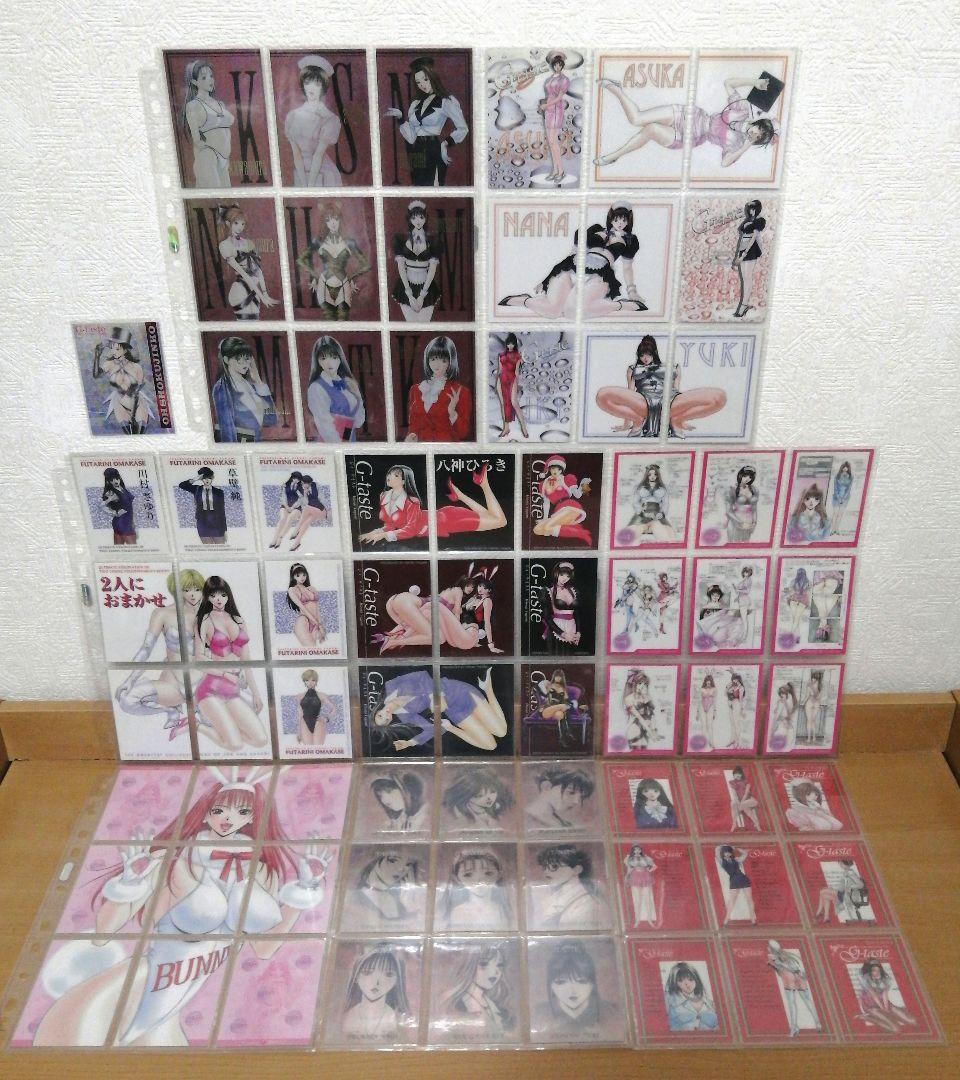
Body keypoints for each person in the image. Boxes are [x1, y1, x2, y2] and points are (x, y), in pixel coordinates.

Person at [31, 767, 329, 1046]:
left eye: (242, 811)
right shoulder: (175, 859)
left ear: (253, 817)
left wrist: (304, 891)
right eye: (219, 810)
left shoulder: (261, 871)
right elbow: (104, 931)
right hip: (139, 985)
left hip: (181, 996)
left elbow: (264, 948)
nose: (228, 818)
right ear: (205, 813)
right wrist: (130, 881)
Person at [594, 74, 777, 170]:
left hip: (690, 136)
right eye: (758, 130)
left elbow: (725, 163)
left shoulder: (737, 143)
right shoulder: (742, 110)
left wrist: (745, 146)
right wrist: (754, 82)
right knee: (636, 118)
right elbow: (728, 83)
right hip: (691, 115)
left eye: (758, 138)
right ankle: (617, 90)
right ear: (758, 123)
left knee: (651, 129)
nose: (755, 134)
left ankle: (615, 155)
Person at [499, 204, 645, 318]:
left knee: (572, 312)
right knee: (553, 311)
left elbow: (627, 268)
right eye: (616, 219)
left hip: (600, 275)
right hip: (572, 267)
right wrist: (547, 279)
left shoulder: (630, 240)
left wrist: (631, 291)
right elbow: (573, 252)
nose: (620, 223)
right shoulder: (596, 229)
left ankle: (621, 305)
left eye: (624, 220)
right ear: (611, 218)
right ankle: (524, 300)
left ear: (628, 221)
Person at [595, 335, 726, 439]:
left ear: (654, 353)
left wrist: (682, 417)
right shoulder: (633, 368)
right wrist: (627, 423)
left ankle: (677, 420)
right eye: (642, 355)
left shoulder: (673, 367)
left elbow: (676, 389)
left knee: (719, 397)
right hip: (643, 402)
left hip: (671, 402)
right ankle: (637, 420)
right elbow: (629, 393)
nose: (645, 358)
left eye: (648, 354)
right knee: (602, 395)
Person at [383, 55, 469, 185]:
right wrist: (400, 118)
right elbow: (411, 137)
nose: (422, 85)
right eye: (418, 82)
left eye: (425, 79)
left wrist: (446, 143)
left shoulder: (446, 101)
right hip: (415, 151)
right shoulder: (415, 104)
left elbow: (463, 128)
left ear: (432, 77)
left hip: (433, 149)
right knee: (418, 187)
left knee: (433, 187)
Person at [295, 200, 371, 319]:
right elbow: (300, 260)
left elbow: (366, 264)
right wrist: (315, 275)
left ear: (340, 219)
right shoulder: (318, 242)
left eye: (335, 218)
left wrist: (352, 277)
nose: (333, 223)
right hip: (324, 285)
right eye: (328, 220)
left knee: (343, 320)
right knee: (329, 321)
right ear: (324, 223)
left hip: (343, 284)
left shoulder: (349, 243)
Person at [284, 54, 342, 187]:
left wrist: (310, 185)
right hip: (301, 173)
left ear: (323, 86)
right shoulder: (293, 116)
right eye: (307, 82)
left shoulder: (329, 119)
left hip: (324, 174)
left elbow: (318, 155)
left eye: (317, 84)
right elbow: (296, 154)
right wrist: (304, 183)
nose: (311, 88)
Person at [533, 942, 617, 1033]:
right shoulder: (538, 1014)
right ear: (551, 985)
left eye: (581, 981)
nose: (572, 991)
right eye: (561, 982)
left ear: (592, 984)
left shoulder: (611, 1013)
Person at [405, 334, 472, 442]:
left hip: (446, 449)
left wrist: (452, 412)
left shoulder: (461, 392)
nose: (437, 364)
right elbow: (413, 426)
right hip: (422, 448)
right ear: (427, 360)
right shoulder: (416, 390)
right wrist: (412, 435)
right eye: (433, 359)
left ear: (450, 361)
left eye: (443, 360)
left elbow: (463, 433)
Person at [216, 204, 279, 319]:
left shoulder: (248, 243)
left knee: (255, 323)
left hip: (255, 290)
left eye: (242, 224)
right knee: (246, 323)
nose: (240, 227)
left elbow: (258, 270)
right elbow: (244, 274)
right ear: (228, 223)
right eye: (236, 223)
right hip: (240, 289)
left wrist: (265, 293)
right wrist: (262, 296)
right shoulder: (225, 245)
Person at [210, 335, 277, 442]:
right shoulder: (222, 388)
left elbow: (271, 419)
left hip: (257, 445)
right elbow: (227, 430)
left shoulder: (251, 385)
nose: (245, 363)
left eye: (246, 358)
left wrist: (258, 381)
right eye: (238, 359)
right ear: (226, 360)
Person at [181, 59, 234, 187]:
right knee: (215, 195)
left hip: (224, 159)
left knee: (227, 196)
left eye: (211, 76)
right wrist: (211, 148)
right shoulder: (193, 106)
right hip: (208, 157)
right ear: (194, 82)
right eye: (204, 78)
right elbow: (197, 140)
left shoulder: (220, 104)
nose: (210, 80)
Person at [341, 944, 411, 1039]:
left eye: (388, 974)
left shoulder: (398, 1019)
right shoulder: (348, 1016)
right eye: (367, 972)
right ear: (356, 977)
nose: (376, 982)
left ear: (397, 981)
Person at [305, 334, 366, 442]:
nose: (329, 363)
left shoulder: (348, 383)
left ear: (340, 359)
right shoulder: (316, 388)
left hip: (349, 441)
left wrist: (357, 394)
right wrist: (341, 446)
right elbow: (325, 425)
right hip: (330, 444)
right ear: (318, 361)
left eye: (334, 357)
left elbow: (358, 422)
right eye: (323, 358)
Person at [92, 327, 153, 434]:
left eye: (117, 349)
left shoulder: (136, 367)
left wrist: (133, 415)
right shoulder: (109, 364)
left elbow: (139, 387)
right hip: (119, 403)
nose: (113, 352)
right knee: (128, 435)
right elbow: (96, 375)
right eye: (111, 348)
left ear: (125, 350)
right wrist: (97, 356)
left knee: (140, 434)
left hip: (137, 403)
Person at [443, 945, 514, 1036]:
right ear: (469, 966)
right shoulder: (456, 1003)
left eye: (499, 965)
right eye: (484, 964)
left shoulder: (493, 1004)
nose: (495, 972)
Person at [438, 849, 514, 931]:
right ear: (457, 878)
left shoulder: (502, 910)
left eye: (488, 873)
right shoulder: (458, 912)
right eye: (468, 875)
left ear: (499, 874)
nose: (479, 880)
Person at [391, 200, 441, 322]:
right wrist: (409, 294)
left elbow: (432, 268)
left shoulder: (433, 240)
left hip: (427, 286)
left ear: (426, 218)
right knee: (411, 324)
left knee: (425, 324)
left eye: (421, 217)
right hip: (406, 286)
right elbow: (401, 267)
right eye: (414, 218)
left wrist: (422, 295)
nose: (418, 221)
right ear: (409, 219)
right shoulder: (401, 239)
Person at [438, 668, 510, 752]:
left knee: (501, 732)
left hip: (459, 692)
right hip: (453, 708)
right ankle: (449, 727)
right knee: (491, 745)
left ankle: (487, 688)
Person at [534, 845, 604, 930]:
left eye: (554, 867)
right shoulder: (554, 898)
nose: (546, 874)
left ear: (577, 869)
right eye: (544, 868)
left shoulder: (586, 904)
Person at [367, 668, 435, 753]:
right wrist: (409, 743)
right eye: (386, 720)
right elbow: (431, 730)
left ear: (377, 711)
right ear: (390, 721)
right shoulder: (406, 716)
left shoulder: (390, 685)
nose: (386, 715)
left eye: (380, 716)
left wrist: (432, 696)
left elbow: (422, 675)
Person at [437, 566, 504, 654]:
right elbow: (459, 610)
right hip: (460, 634)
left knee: (438, 607)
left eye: (484, 588)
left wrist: (491, 645)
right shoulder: (474, 598)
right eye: (480, 586)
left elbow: (487, 623)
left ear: (489, 590)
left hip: (469, 636)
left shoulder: (487, 601)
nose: (480, 589)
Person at [436, 463, 508, 541]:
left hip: (448, 522)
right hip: (445, 514)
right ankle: (459, 494)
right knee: (491, 517)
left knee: (500, 521)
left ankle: (482, 484)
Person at [353, 848, 423, 929]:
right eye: (392, 860)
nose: (401, 868)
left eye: (408, 864)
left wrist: (409, 906)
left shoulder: (400, 897)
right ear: (374, 861)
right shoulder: (353, 897)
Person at [359, 464, 429, 545]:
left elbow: (411, 530)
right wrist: (373, 533)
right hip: (400, 538)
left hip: (423, 532)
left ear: (403, 481)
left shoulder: (412, 502)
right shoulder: (383, 496)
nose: (389, 476)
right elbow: (390, 525)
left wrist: (383, 535)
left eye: (396, 475)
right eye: (389, 474)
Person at [534, 455, 592, 545]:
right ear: (549, 469)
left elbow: (577, 495)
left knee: (548, 527)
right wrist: (545, 519)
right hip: (558, 510)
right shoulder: (543, 484)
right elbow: (546, 503)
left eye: (558, 469)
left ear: (561, 470)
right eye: (553, 469)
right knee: (537, 529)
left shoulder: (566, 479)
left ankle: (582, 534)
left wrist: (583, 485)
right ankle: (578, 533)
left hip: (570, 507)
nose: (555, 471)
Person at [765, 941, 820, 1036]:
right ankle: (818, 1023)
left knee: (792, 1003)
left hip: (789, 978)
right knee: (808, 1001)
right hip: (799, 977)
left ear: (771, 948)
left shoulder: (771, 956)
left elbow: (779, 967)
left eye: (768, 947)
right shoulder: (788, 955)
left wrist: (774, 965)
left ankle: (794, 1028)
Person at [856, 959, 918, 1033]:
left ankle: (893, 1015)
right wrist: (883, 1009)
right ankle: (868, 1018)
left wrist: (886, 1008)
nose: (877, 972)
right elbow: (874, 995)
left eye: (878, 969)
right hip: (871, 1006)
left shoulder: (884, 978)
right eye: (873, 970)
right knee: (896, 1029)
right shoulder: (865, 978)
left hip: (884, 1003)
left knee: (913, 1021)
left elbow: (884, 994)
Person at [442, 766, 514, 829]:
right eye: (479, 796)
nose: (489, 798)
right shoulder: (460, 816)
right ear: (466, 795)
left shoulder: (496, 808)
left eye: (492, 792)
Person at [525, 766, 595, 830]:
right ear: (546, 787)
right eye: (571, 792)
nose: (576, 801)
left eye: (581, 797)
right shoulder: (525, 820)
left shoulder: (566, 825)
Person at [539, 52, 570, 183]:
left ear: (562, 65)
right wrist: (544, 106)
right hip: (548, 111)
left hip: (556, 110)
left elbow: (559, 97)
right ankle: (555, 170)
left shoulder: (564, 80)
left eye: (560, 65)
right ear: (553, 65)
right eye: (556, 64)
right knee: (551, 142)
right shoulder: (549, 79)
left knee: (553, 141)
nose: (558, 67)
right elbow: (549, 95)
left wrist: (546, 105)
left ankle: (560, 171)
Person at [733, 200, 766, 318]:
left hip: (751, 250)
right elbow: (742, 238)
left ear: (757, 209)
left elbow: (754, 237)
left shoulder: (759, 220)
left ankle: (744, 305)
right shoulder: (748, 220)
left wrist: (743, 255)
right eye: (750, 209)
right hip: (743, 248)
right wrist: (739, 254)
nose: (751, 211)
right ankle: (744, 304)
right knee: (745, 278)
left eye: (753, 209)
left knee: (747, 277)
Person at [493, 332, 529, 439]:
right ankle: (506, 428)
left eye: (512, 344)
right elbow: (500, 370)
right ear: (506, 344)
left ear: (515, 344)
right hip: (501, 380)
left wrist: (516, 384)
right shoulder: (501, 355)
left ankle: (524, 428)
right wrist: (496, 383)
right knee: (503, 404)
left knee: (514, 403)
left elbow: (517, 372)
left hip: (512, 379)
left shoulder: (518, 356)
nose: (510, 346)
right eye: (508, 343)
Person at [663, 962, 718, 1032]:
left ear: (696, 979)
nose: (687, 983)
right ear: (675, 983)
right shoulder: (669, 998)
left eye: (690, 979)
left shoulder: (708, 1002)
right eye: (680, 980)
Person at [178, 467, 227, 544]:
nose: (207, 480)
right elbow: (182, 485)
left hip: (216, 522)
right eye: (204, 478)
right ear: (201, 479)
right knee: (208, 547)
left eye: (209, 478)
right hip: (202, 522)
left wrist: (225, 530)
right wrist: (196, 478)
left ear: (212, 478)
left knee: (220, 546)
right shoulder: (197, 489)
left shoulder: (219, 492)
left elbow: (222, 511)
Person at [627, 463, 674, 540]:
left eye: (655, 474)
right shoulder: (640, 487)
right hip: (643, 512)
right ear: (647, 475)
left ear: (658, 475)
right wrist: (640, 512)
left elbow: (665, 503)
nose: (652, 476)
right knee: (633, 532)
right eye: (650, 474)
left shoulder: (662, 488)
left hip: (657, 513)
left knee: (668, 533)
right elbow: (635, 502)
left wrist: (662, 513)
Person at [543, 561, 582, 653]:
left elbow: (577, 614)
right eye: (561, 575)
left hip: (572, 630)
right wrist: (564, 634)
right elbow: (547, 618)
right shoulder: (548, 591)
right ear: (556, 573)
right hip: (556, 631)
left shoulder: (574, 591)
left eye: (568, 576)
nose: (564, 578)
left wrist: (578, 632)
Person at [285, 562, 327, 648]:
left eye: (304, 575)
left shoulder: (312, 588)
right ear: (293, 576)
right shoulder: (292, 590)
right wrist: (318, 624)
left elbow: (317, 609)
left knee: (315, 649)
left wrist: (320, 625)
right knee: (311, 648)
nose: (302, 578)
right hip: (303, 621)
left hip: (315, 623)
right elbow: (303, 608)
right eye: (298, 575)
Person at [816, 858, 867, 924]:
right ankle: (826, 918)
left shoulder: (850, 873)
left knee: (822, 892)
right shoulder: (846, 872)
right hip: (843, 893)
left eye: (841, 863)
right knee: (825, 895)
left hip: (849, 896)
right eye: (839, 863)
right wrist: (833, 888)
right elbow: (842, 886)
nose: (840, 865)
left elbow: (861, 884)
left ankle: (819, 912)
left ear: (845, 863)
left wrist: (850, 887)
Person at [286, 474, 329, 553]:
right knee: (305, 524)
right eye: (303, 483)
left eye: (306, 483)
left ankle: (295, 531)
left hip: (321, 511)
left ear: (310, 483)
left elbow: (322, 499)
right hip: (312, 512)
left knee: (307, 508)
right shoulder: (300, 489)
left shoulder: (315, 485)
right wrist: (305, 494)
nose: (304, 485)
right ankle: (296, 543)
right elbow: (303, 502)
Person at [716, 845, 756, 925]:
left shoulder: (736, 860)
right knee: (732, 900)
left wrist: (736, 848)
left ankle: (753, 919)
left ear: (731, 853)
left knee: (749, 899)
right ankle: (726, 919)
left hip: (743, 879)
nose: (727, 854)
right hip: (734, 880)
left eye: (729, 852)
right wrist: (726, 845)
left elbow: (745, 854)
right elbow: (717, 850)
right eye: (725, 852)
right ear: (723, 853)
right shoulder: (721, 861)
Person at [537, 669, 576, 748]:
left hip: (557, 710)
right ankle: (569, 731)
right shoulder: (549, 685)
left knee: (560, 714)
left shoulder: (563, 688)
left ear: (562, 678)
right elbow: (541, 687)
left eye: (560, 677)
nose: (558, 678)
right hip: (546, 709)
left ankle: (562, 737)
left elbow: (567, 700)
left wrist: (570, 704)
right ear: (554, 677)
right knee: (563, 707)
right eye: (556, 676)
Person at [623, 845, 659, 928]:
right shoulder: (630, 859)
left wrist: (648, 870)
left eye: (638, 849)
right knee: (637, 900)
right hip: (635, 876)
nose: (637, 851)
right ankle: (637, 920)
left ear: (640, 850)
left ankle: (649, 919)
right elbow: (629, 869)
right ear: (633, 851)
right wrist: (627, 877)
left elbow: (654, 866)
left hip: (645, 876)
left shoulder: (646, 858)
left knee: (647, 899)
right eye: (635, 850)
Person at [296, 669, 333, 747]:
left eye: (313, 680)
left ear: (316, 681)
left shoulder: (322, 695)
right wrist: (299, 732)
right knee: (309, 749)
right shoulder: (300, 696)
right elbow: (300, 714)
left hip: (318, 723)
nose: (310, 683)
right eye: (307, 680)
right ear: (304, 681)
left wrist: (326, 718)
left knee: (318, 748)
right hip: (304, 723)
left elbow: (334, 708)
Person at [101, 468, 137, 545]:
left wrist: (133, 521)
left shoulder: (123, 489)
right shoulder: (111, 492)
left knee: (118, 548)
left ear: (119, 478)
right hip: (121, 522)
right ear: (108, 481)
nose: (115, 481)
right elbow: (101, 505)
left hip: (127, 521)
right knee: (133, 548)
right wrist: (114, 513)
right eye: (112, 480)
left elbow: (130, 507)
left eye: (116, 478)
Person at [724, 465, 759, 543]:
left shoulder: (754, 489)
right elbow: (729, 510)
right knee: (734, 544)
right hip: (735, 523)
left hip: (748, 524)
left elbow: (754, 509)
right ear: (740, 475)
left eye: (750, 477)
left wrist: (754, 523)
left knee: (745, 546)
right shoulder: (732, 489)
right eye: (745, 476)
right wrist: (740, 522)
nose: (747, 479)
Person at [727, 766, 761, 831]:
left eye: (739, 774)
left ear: (742, 774)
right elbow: (734, 794)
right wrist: (738, 802)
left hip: (750, 799)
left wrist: (741, 803)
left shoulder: (746, 782)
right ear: (733, 775)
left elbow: (746, 793)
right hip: (740, 802)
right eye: (735, 774)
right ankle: (734, 823)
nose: (737, 775)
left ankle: (757, 824)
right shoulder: (732, 782)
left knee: (744, 804)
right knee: (733, 804)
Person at [769, 682, 798, 751]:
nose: (782, 695)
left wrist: (773, 727)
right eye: (781, 693)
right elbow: (777, 716)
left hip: (783, 724)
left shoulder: (784, 702)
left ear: (787, 694)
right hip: (783, 724)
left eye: (783, 693)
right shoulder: (783, 702)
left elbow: (777, 716)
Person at [830, 461, 854, 536]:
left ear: (848, 468)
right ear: (842, 467)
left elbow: (849, 489)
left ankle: (837, 529)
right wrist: (838, 497)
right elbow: (835, 488)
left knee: (840, 514)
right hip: (836, 497)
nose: (845, 468)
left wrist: (843, 499)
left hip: (845, 498)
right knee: (835, 514)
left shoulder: (850, 477)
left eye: (847, 467)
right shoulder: (837, 476)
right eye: (844, 467)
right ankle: (832, 529)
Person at [696, 674, 717, 749]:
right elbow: (699, 700)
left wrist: (714, 711)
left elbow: (715, 701)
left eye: (709, 681)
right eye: (707, 681)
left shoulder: (714, 689)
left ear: (711, 682)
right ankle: (704, 742)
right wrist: (697, 712)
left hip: (711, 707)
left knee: (710, 725)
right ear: (705, 682)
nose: (708, 683)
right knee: (703, 725)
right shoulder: (702, 689)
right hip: (702, 707)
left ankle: (711, 742)